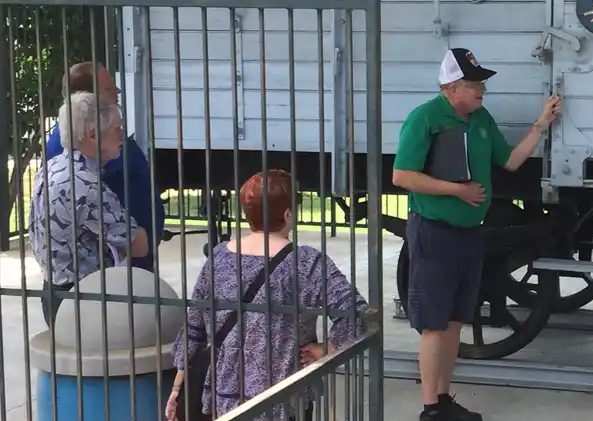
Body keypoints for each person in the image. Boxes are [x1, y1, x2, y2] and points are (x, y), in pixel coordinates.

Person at [391, 48, 562, 421]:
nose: (482, 90)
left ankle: (443, 398)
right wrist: (457, 191)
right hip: (435, 232)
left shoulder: (481, 118)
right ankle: (430, 407)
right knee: (435, 323)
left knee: (455, 320)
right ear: (452, 89)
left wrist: (541, 125)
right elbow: (402, 176)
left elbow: (510, 161)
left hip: (469, 234)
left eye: (481, 83)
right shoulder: (425, 118)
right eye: (474, 84)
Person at [166, 169, 369, 421]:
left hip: (223, 399)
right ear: (287, 214)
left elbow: (193, 328)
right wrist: (325, 348)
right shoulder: (306, 263)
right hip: (283, 397)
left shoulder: (218, 257)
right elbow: (357, 313)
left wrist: (178, 388)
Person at [29, 91, 150, 324]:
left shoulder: (51, 167)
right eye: (118, 130)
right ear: (93, 135)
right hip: (84, 301)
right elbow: (139, 244)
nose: (123, 137)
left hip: (55, 291)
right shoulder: (85, 185)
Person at [45, 62, 166, 272]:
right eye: (109, 88)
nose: (118, 91)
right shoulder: (75, 158)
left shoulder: (94, 141)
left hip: (124, 270)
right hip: (106, 279)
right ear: (86, 97)